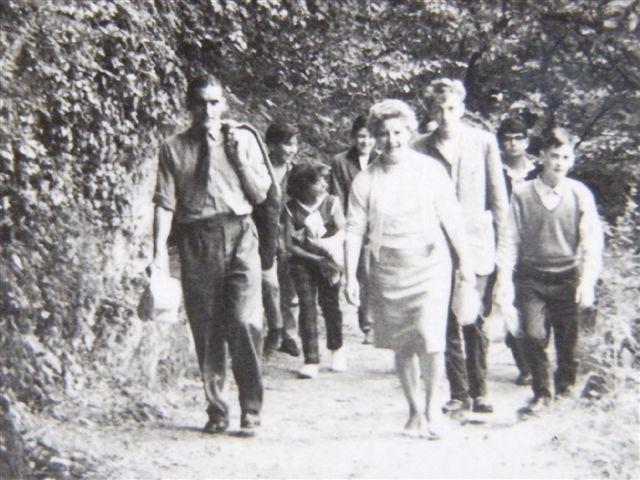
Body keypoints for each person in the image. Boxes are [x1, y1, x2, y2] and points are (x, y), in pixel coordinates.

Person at [150, 73, 271, 433]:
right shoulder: (173, 148)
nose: (208, 110)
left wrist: (238, 158)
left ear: (224, 104)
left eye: (215, 102)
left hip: (239, 234)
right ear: (189, 106)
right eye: (201, 102)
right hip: (196, 240)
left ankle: (251, 408)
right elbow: (164, 204)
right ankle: (217, 408)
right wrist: (158, 252)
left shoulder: (244, 139)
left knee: (245, 321)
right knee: (206, 327)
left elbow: (260, 195)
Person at [345, 99, 473, 438]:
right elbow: (354, 229)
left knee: (432, 340)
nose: (392, 140)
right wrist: (349, 276)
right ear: (373, 137)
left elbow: (452, 218)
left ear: (409, 132)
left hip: (431, 264)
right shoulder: (365, 180)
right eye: (384, 134)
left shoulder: (430, 171)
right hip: (388, 268)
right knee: (403, 344)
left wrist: (466, 264)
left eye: (398, 132)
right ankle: (414, 411)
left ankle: (433, 410)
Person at [413, 78, 509, 414]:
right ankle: (458, 393)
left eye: (451, 108)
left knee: (475, 316)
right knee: (446, 318)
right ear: (430, 111)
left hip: (477, 241)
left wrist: (502, 247)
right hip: (437, 244)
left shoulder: (482, 142)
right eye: (438, 109)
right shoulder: (418, 147)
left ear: (462, 109)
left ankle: (481, 391)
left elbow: (498, 199)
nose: (445, 115)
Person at [498, 128, 603, 415]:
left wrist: (587, 282)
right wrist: (504, 283)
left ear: (572, 160)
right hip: (531, 278)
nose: (559, 162)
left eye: (565, 157)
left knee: (567, 342)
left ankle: (566, 390)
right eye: (554, 155)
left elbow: (592, 240)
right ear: (542, 156)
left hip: (566, 278)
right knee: (532, 335)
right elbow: (509, 240)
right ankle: (541, 394)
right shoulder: (522, 193)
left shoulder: (579, 194)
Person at [283, 162, 346, 379]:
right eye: (320, 181)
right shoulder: (291, 208)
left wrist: (329, 253)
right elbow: (290, 245)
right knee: (307, 307)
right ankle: (311, 359)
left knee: (331, 305)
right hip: (303, 263)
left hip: (330, 262)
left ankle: (336, 348)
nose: (325, 184)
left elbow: (342, 230)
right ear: (305, 185)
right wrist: (315, 257)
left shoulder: (331, 202)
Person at [497, 117, 541, 386]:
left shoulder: (539, 171)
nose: (512, 144)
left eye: (517, 138)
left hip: (535, 245)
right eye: (507, 138)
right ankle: (524, 365)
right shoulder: (494, 169)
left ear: (526, 140)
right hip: (502, 243)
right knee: (509, 303)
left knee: (536, 303)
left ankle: (538, 360)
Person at [329, 115, 377, 344]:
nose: (365, 141)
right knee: (362, 272)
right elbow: (337, 195)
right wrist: (342, 225)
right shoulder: (340, 161)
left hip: (379, 223)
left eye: (369, 136)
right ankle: (368, 325)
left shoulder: (382, 159)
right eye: (360, 136)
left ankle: (384, 321)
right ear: (353, 137)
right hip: (352, 223)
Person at [260, 122, 301, 358]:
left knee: (289, 286)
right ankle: (275, 327)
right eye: (286, 143)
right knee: (268, 282)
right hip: (264, 234)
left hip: (290, 235)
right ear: (272, 145)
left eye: (294, 143)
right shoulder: (260, 170)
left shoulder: (296, 173)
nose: (291, 149)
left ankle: (290, 335)